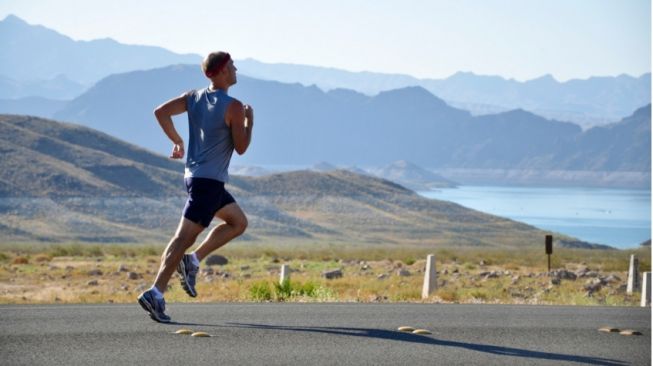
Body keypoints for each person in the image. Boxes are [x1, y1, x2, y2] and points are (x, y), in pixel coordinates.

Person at [138, 51, 254, 323]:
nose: (236, 69)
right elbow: (241, 147)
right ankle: (155, 292)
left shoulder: (193, 97)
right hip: (208, 183)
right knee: (182, 238)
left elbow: (161, 112)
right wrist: (250, 121)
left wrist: (177, 140)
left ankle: (193, 260)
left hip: (197, 178)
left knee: (238, 222)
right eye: (233, 66)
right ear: (223, 70)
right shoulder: (234, 107)